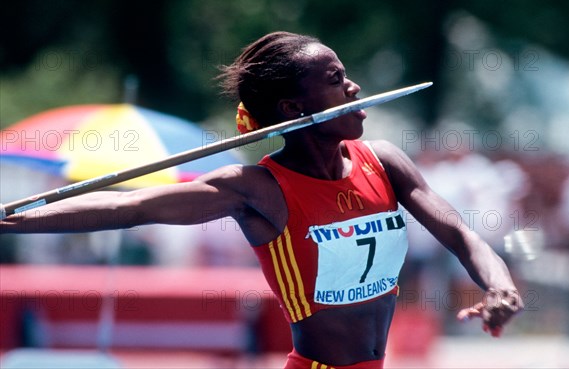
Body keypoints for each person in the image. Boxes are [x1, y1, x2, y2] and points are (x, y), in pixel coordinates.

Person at [0, 31, 522, 368]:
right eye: (336, 80)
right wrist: (11, 222)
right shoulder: (256, 189)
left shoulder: (383, 161)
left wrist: (499, 286)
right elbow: (129, 208)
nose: (355, 88)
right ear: (295, 108)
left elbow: (461, 234)